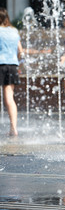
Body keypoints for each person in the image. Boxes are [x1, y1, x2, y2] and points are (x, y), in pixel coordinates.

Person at [0, 8, 24, 136]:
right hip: (12, 65)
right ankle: (13, 128)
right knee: (9, 97)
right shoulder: (14, 31)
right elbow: (21, 51)